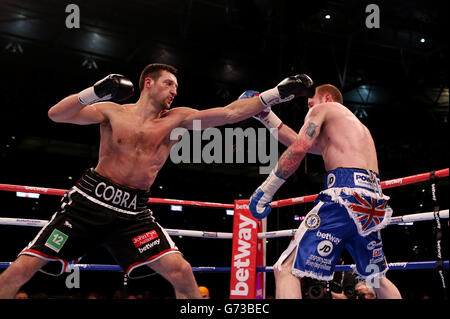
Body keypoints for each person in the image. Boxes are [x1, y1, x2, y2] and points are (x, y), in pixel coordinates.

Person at [0, 63, 314, 299]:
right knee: (23, 267)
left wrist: (276, 94)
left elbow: (230, 113)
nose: (174, 90)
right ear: (148, 83)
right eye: (169, 83)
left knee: (181, 272)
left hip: (134, 213)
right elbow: (57, 114)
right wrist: (95, 92)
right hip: (88, 204)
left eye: (176, 85)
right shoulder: (112, 110)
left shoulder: (177, 118)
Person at [248, 84, 402, 299]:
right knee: (376, 278)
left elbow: (299, 148)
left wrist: (267, 189)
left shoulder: (323, 109)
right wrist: (267, 117)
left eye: (311, 103)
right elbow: (301, 141)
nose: (308, 108)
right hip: (372, 203)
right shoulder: (352, 126)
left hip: (345, 195)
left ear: (327, 97)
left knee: (285, 270)